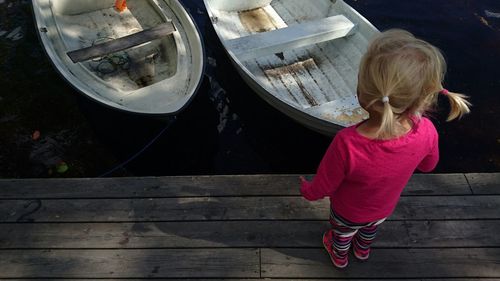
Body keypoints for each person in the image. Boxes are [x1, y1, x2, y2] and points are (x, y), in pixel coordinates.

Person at [299, 29, 471, 269]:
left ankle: (339, 255)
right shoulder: (427, 130)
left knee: (342, 234)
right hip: (383, 209)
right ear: (422, 98)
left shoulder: (347, 142)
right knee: (369, 231)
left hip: (347, 212)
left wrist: (308, 191)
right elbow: (428, 166)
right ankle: (362, 250)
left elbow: (325, 186)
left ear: (362, 94)